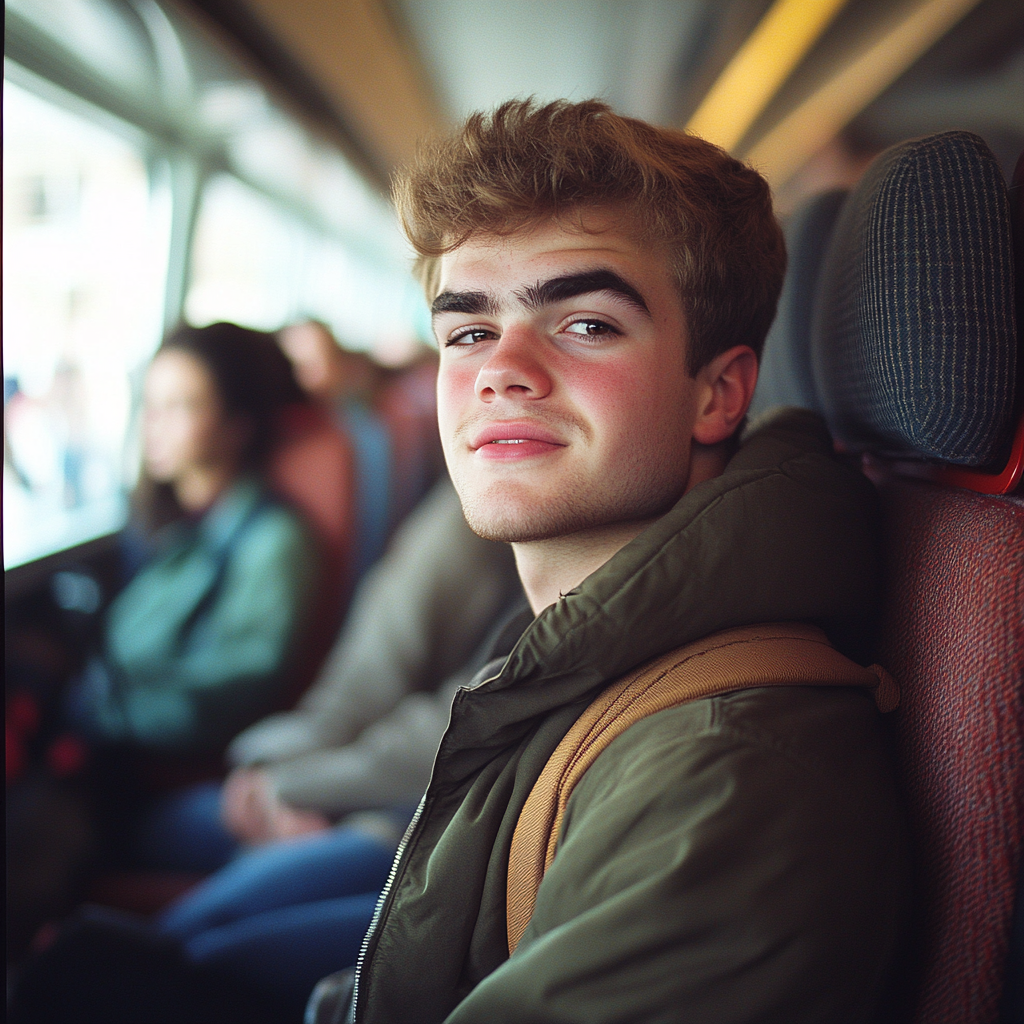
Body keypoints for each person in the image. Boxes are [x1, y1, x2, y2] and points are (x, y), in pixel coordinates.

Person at [313, 99, 911, 1023]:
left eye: (585, 323)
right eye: (467, 331)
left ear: (718, 395)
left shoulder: (731, 785)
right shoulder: (591, 644)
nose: (499, 369)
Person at [67, 321, 316, 755]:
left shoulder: (273, 541)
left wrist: (94, 715)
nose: (153, 425)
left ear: (237, 424)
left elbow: (233, 692)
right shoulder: (160, 517)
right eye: (150, 404)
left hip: (148, 756)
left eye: (179, 406)